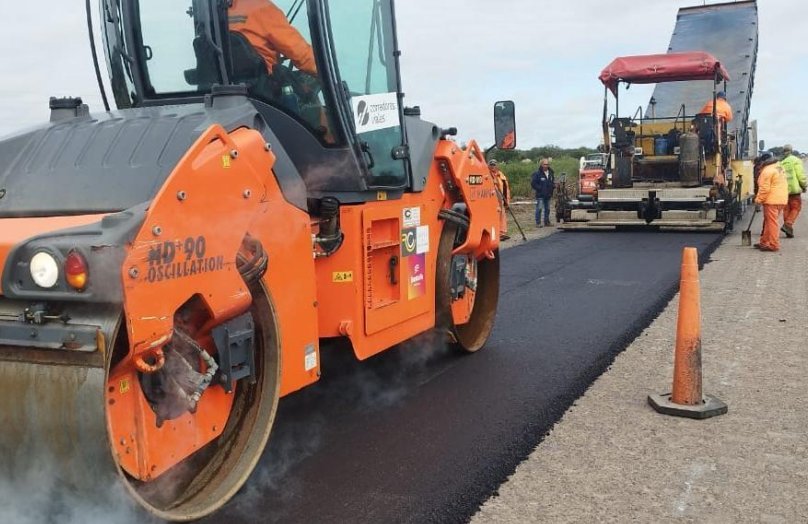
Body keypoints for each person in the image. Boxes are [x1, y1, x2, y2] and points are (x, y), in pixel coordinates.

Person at [228, 0, 318, 77]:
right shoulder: (260, 8)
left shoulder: (217, 11)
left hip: (223, 89)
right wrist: (327, 67)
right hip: (260, 90)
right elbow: (300, 54)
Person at [754, 151, 788, 252]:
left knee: (772, 223)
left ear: (764, 161)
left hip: (772, 201)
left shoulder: (767, 171)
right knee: (769, 222)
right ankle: (764, 242)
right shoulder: (779, 167)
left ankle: (774, 244)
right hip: (781, 199)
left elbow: (764, 189)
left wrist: (758, 200)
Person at [780, 144, 807, 238]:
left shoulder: (781, 163)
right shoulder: (796, 160)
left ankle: (788, 229)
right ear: (791, 150)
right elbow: (800, 175)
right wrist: (804, 185)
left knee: (786, 209)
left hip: (784, 190)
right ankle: (788, 224)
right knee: (796, 208)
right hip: (795, 190)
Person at [488, 159, 510, 240]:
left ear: (497, 165)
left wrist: (507, 201)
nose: (493, 166)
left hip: (501, 199)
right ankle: (494, 234)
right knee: (493, 217)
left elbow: (506, 189)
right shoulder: (486, 175)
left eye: (494, 165)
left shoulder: (501, 175)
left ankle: (502, 233)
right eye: (491, 165)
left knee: (502, 216)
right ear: (488, 165)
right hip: (491, 200)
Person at [531, 159, 555, 227]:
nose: (546, 166)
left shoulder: (551, 173)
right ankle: (538, 223)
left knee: (547, 209)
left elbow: (551, 182)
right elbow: (533, 183)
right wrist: (540, 189)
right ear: (541, 165)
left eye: (547, 164)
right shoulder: (537, 173)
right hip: (540, 195)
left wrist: (553, 186)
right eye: (545, 164)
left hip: (548, 195)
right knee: (539, 209)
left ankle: (546, 222)